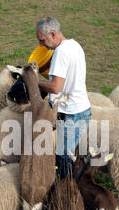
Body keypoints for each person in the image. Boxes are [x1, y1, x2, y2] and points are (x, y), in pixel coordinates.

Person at [36, 16, 92, 179]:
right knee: (64, 154)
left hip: (72, 114)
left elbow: (55, 87)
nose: (41, 45)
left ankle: (65, 194)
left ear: (52, 34)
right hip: (80, 110)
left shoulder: (60, 52)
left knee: (63, 159)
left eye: (42, 40)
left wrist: (34, 82)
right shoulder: (75, 45)